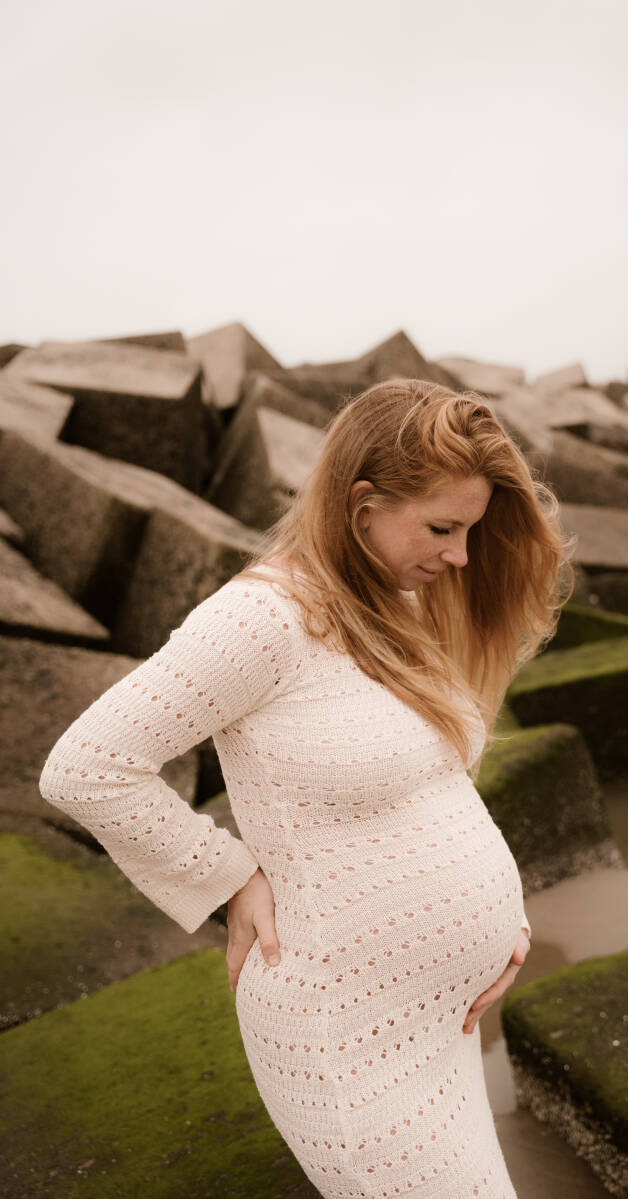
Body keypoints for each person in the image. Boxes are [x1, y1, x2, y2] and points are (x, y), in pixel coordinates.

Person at [39, 378, 574, 1198]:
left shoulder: (396, 600)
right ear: (362, 504)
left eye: (469, 529)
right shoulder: (261, 619)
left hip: (443, 1025)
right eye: (443, 527)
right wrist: (229, 878)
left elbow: (428, 786)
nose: (461, 555)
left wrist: (504, 923)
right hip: (348, 1036)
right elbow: (88, 767)